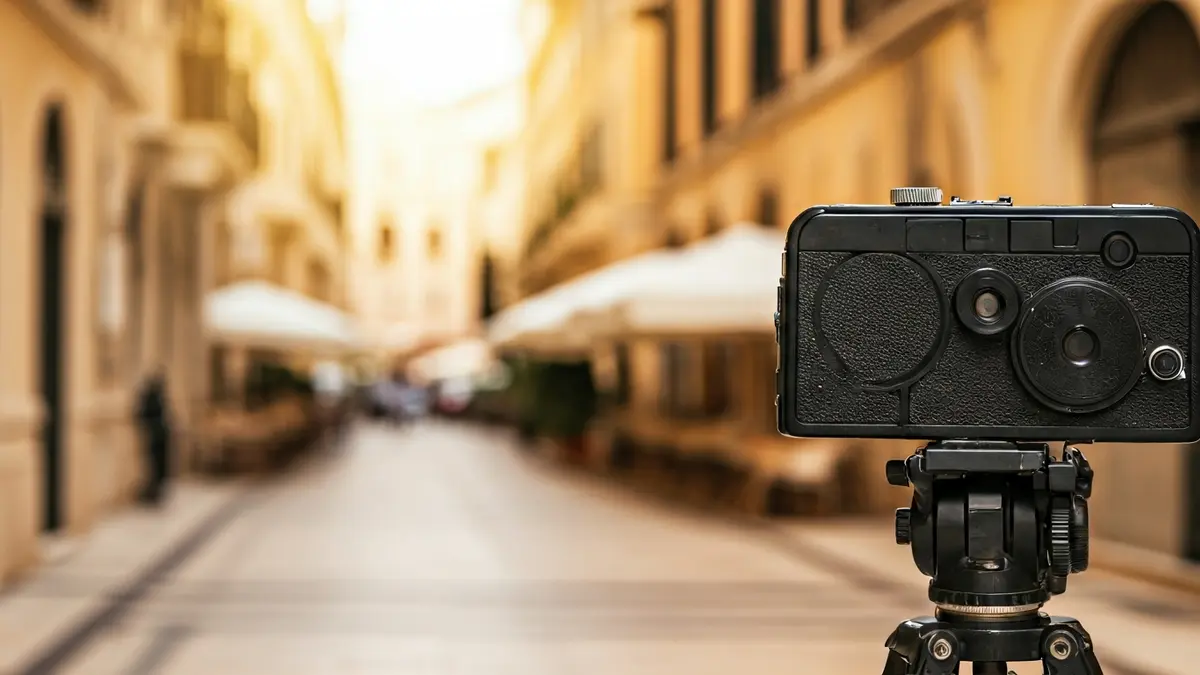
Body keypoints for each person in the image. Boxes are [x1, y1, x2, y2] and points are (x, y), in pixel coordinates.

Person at [135, 370, 172, 505]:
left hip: (158, 437)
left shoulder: (156, 397)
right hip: (157, 437)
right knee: (155, 465)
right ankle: (154, 491)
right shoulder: (154, 398)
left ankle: (156, 491)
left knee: (157, 465)